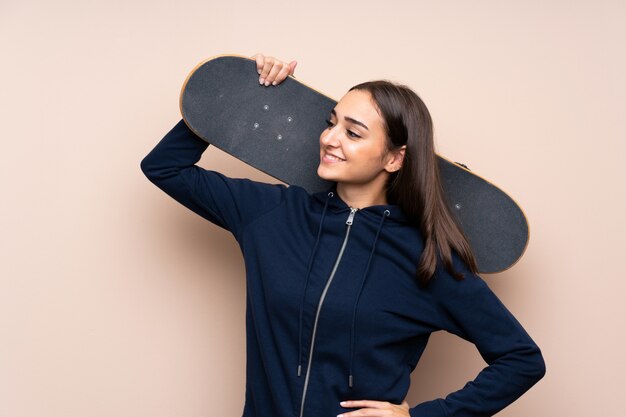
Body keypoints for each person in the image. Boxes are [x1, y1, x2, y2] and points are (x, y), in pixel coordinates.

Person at [140, 53, 546, 417]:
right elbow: (164, 167)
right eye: (330, 123)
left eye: (353, 133)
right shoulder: (273, 214)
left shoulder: (426, 259)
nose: (329, 139)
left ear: (394, 157)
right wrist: (242, 93)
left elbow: (522, 359)